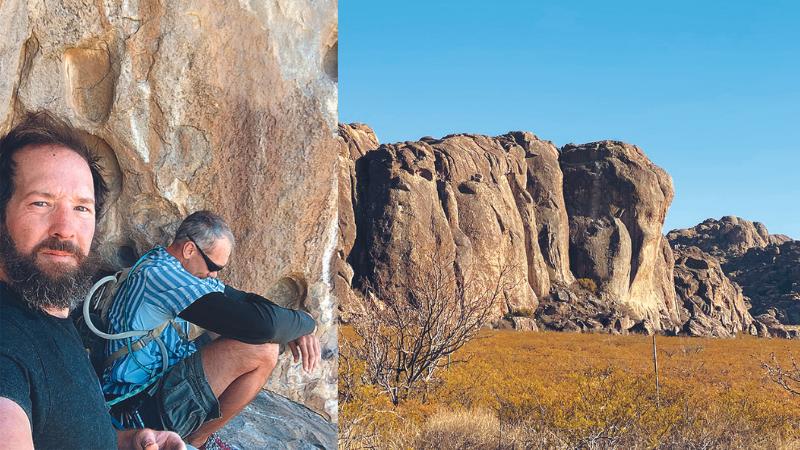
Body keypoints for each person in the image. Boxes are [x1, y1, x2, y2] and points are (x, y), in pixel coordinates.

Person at [0, 111, 184, 450]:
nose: (65, 229)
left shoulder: (47, 310)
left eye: (82, 208)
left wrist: (127, 442)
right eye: (41, 203)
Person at [102, 210, 321, 449]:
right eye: (213, 266)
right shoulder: (162, 276)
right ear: (189, 250)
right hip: (137, 407)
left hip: (159, 379)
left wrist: (297, 327)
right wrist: (307, 321)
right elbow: (263, 325)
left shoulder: (172, 267)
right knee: (263, 349)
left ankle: (196, 435)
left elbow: (248, 303)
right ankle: (197, 440)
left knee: (242, 330)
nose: (214, 275)